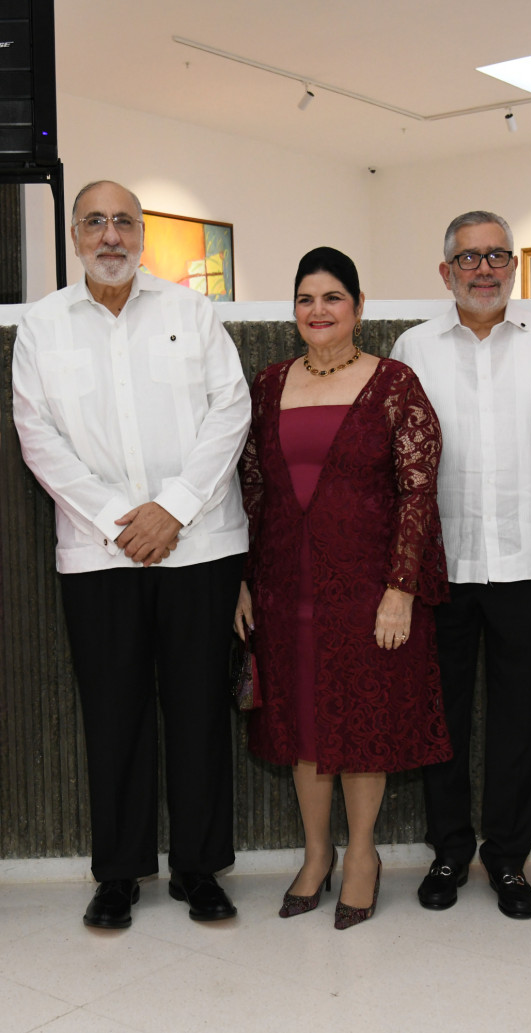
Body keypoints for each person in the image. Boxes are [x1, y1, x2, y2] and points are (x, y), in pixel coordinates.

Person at [12, 181, 251, 929]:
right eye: (95, 222)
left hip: (200, 543)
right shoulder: (43, 326)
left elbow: (231, 410)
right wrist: (123, 520)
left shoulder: (191, 312)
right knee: (112, 715)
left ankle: (199, 868)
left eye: (123, 221)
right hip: (98, 552)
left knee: (200, 710)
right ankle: (117, 874)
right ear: (76, 236)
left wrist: (172, 508)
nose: (110, 235)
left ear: (141, 233)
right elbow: (36, 434)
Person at [391, 211, 531, 918]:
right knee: (440, 717)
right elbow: (398, 466)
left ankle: (508, 859)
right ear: (444, 270)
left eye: (497, 256)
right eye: (469, 258)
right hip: (440, 567)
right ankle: (449, 849)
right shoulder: (413, 347)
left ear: (515, 265)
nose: (484, 269)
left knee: (522, 720)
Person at [235, 246, 451, 930]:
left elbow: (419, 490)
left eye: (333, 297)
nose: (318, 310)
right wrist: (245, 579)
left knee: (360, 725)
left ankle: (363, 854)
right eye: (306, 298)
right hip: (283, 587)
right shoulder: (268, 383)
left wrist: (401, 587)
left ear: (360, 307)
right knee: (301, 723)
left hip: (365, 587)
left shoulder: (394, 383)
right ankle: (316, 853)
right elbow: (249, 488)